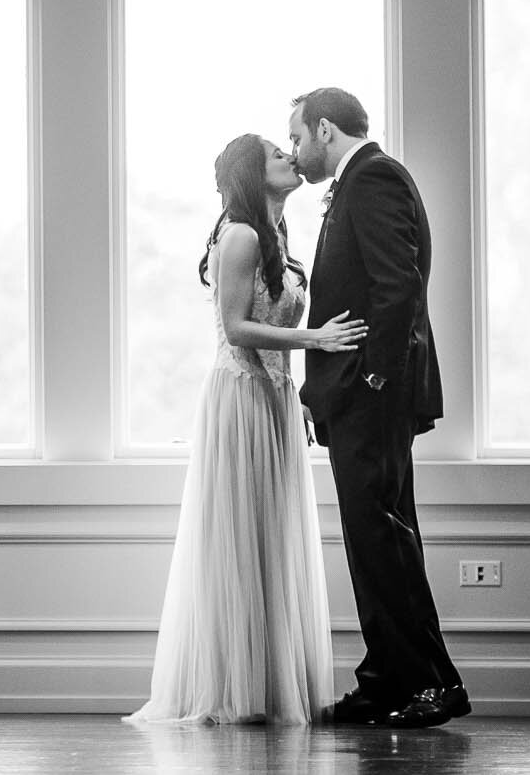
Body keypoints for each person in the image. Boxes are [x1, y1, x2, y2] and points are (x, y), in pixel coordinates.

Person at [127, 133, 366, 725]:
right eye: (276, 155)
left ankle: (266, 688)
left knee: (271, 539)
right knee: (238, 537)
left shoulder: (280, 239)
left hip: (277, 401)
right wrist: (315, 339)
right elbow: (235, 328)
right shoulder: (240, 235)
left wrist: (298, 393)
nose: (290, 157)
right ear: (252, 176)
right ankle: (233, 689)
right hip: (238, 399)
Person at [287, 85, 468, 729]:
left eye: (298, 137)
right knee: (370, 542)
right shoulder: (360, 180)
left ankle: (431, 684)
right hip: (358, 400)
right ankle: (386, 679)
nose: (295, 150)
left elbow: (400, 286)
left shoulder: (374, 178)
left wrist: (372, 383)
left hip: (374, 400)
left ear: (327, 130)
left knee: (383, 539)